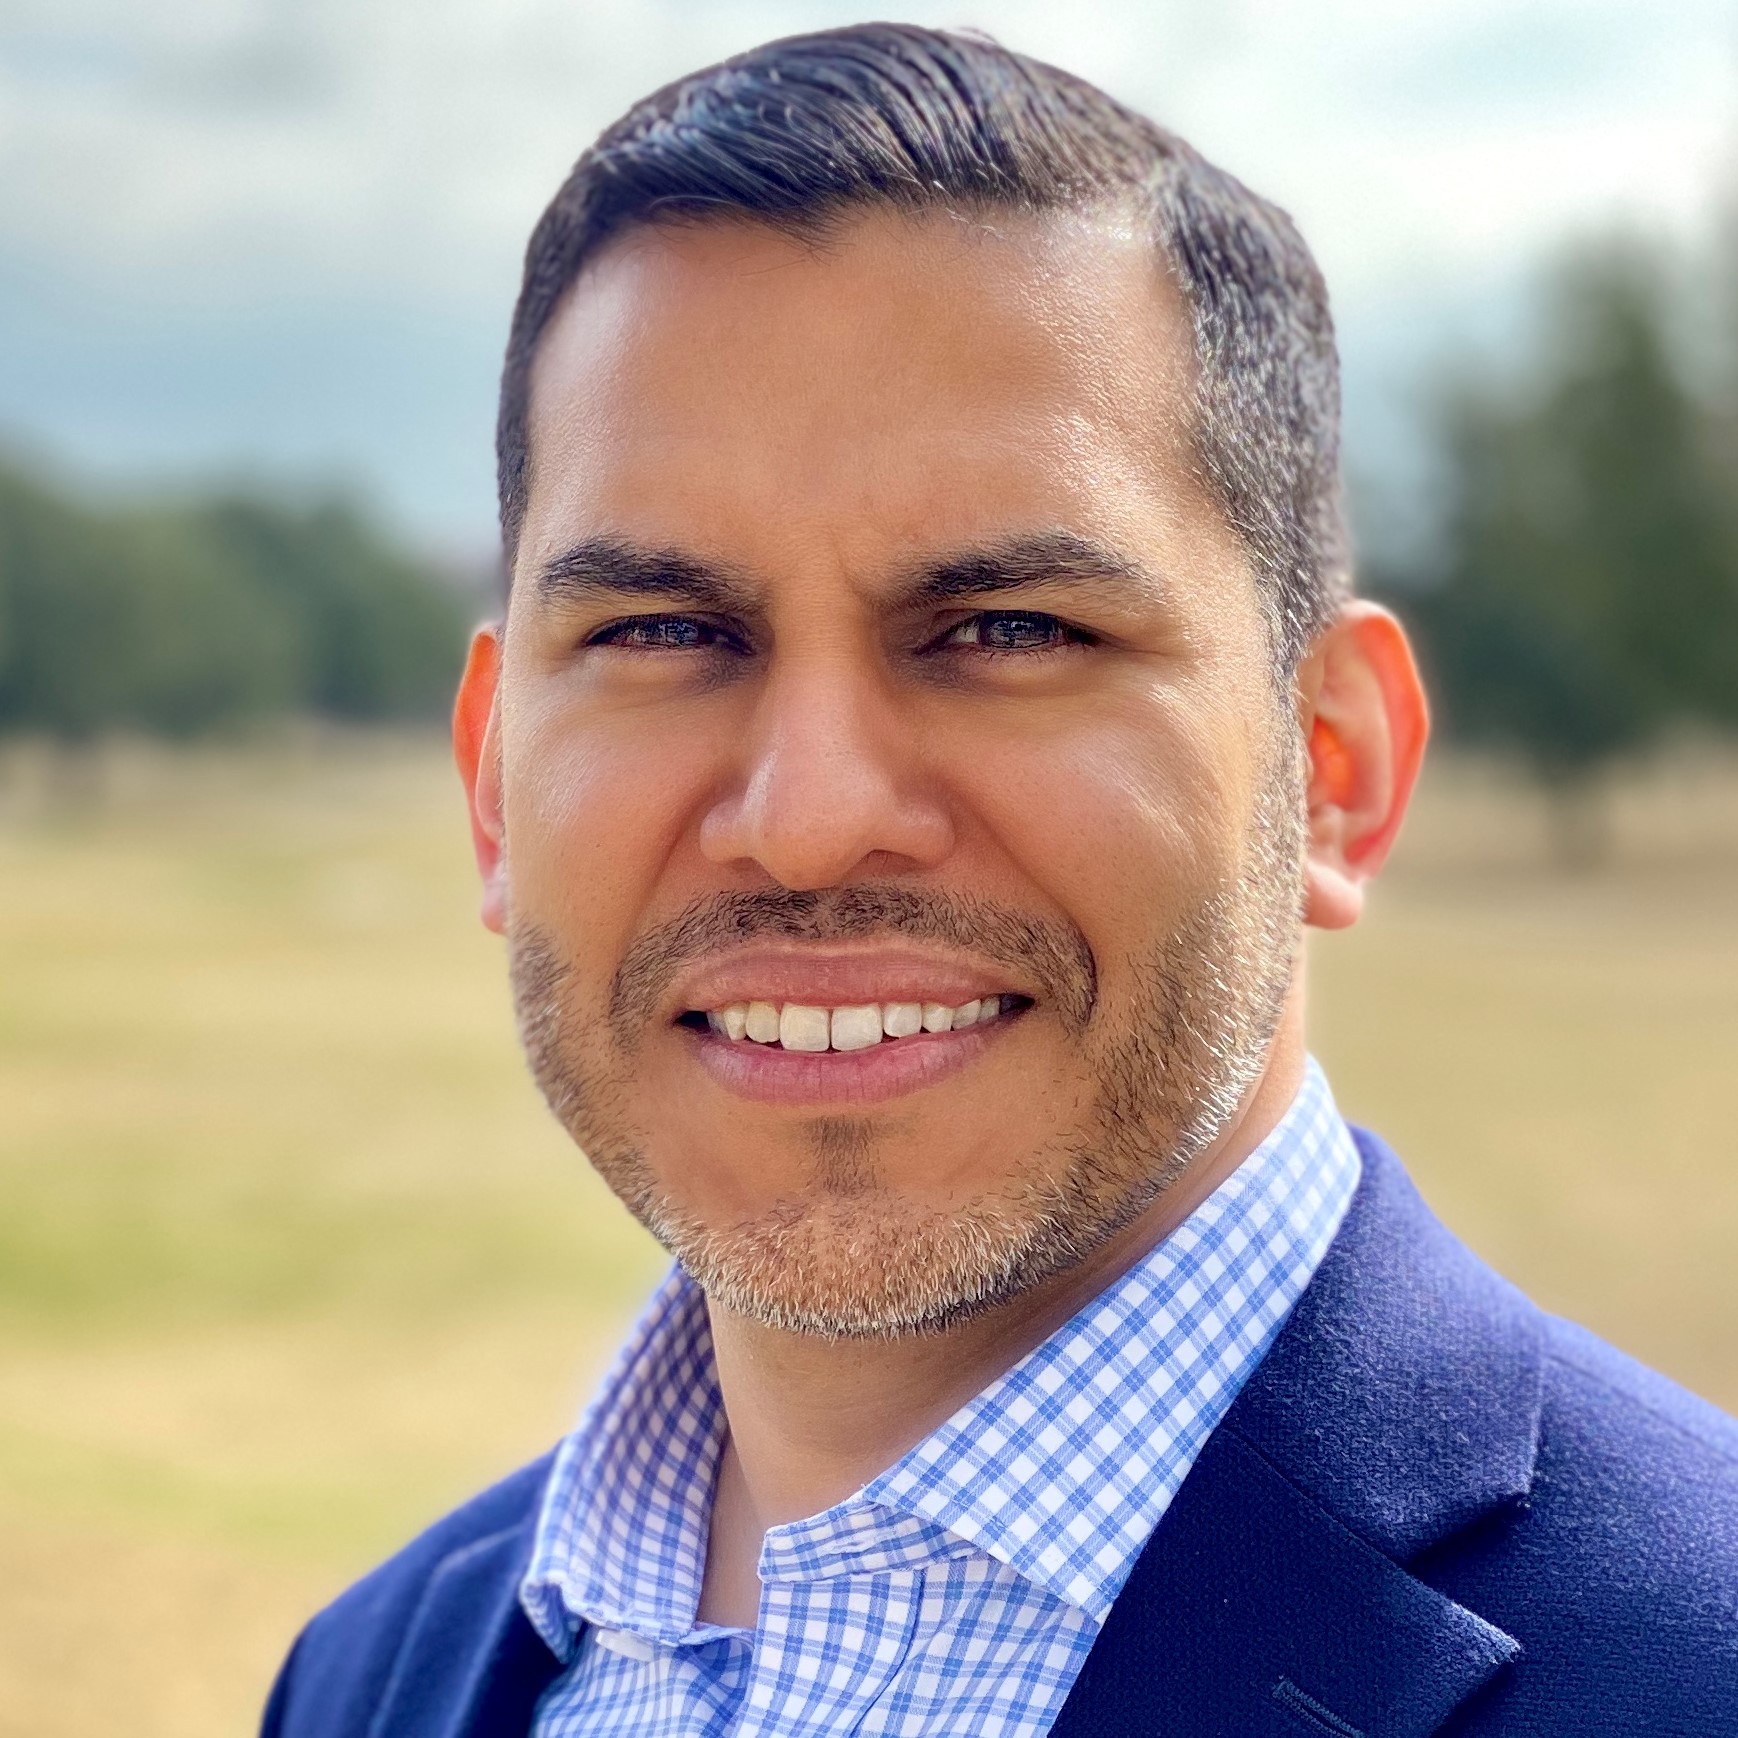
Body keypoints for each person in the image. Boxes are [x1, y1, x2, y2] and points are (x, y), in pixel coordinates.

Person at [262, 24, 1738, 1737]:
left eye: (1009, 630)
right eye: (666, 631)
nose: (809, 819)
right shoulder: (371, 1673)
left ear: (1332, 766)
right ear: (495, 782)